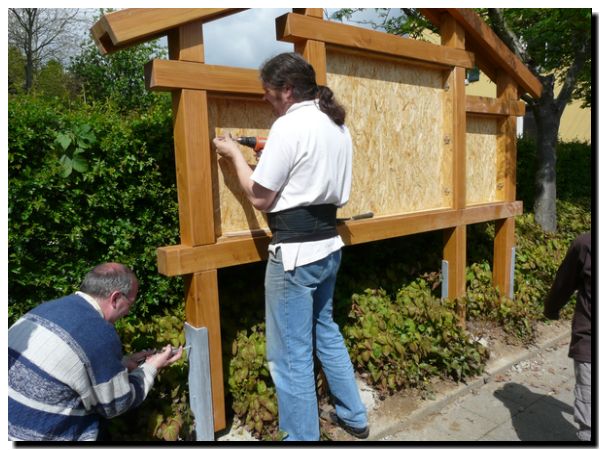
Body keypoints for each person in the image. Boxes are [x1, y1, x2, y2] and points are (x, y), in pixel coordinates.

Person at [213, 52, 368, 441]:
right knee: (325, 330)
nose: (264, 98)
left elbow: (260, 197)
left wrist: (234, 156)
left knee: (289, 357)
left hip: (296, 256)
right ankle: (354, 416)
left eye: (267, 91)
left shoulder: (288, 126)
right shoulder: (337, 126)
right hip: (328, 247)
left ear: (286, 89)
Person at [8, 262, 183, 441]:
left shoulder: (47, 308)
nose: (128, 312)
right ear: (115, 298)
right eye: (130, 303)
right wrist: (151, 367)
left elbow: (66, 366)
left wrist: (121, 364)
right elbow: (116, 405)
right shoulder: (99, 332)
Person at [544, 231, 591, 441]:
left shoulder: (585, 243)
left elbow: (563, 284)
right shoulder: (586, 244)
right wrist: (551, 308)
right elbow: (563, 284)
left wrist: (550, 309)